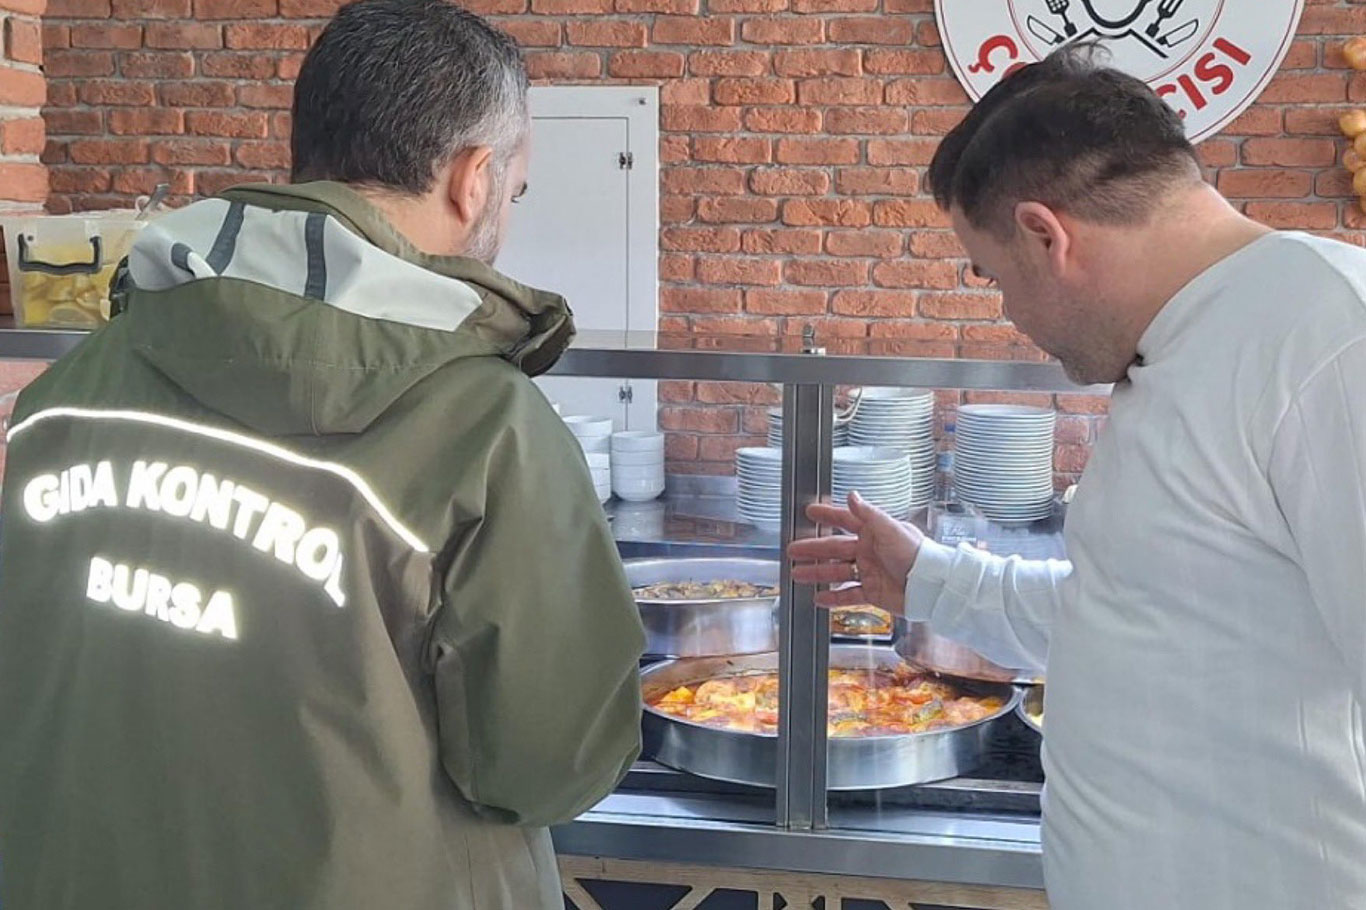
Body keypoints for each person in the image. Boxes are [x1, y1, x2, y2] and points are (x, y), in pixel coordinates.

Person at [0, 2, 645, 909]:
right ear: (475, 179)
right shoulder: (486, 426)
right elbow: (552, 765)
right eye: (518, 190)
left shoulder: (60, 398)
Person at [792, 47, 1366, 910]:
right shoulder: (1181, 344)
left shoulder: (1332, 338)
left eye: (992, 277)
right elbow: (1137, 617)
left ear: (1044, 235)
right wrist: (931, 579)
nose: (1009, 314)